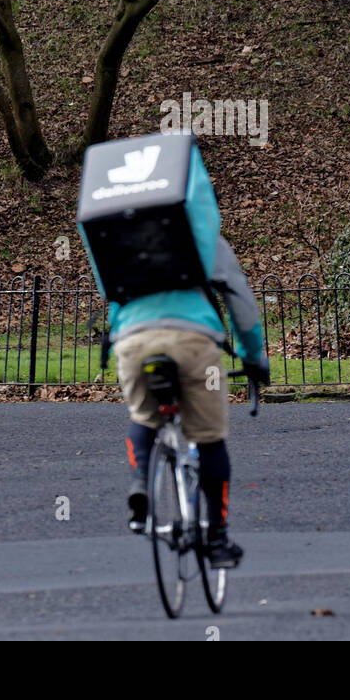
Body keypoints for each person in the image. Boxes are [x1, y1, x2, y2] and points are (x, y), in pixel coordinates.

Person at [109, 235, 269, 568]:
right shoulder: (202, 234)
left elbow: (110, 288)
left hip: (133, 342)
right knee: (209, 439)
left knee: (144, 417)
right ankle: (217, 537)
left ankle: (140, 483)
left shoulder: (116, 231)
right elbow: (238, 297)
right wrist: (252, 356)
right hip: (193, 342)